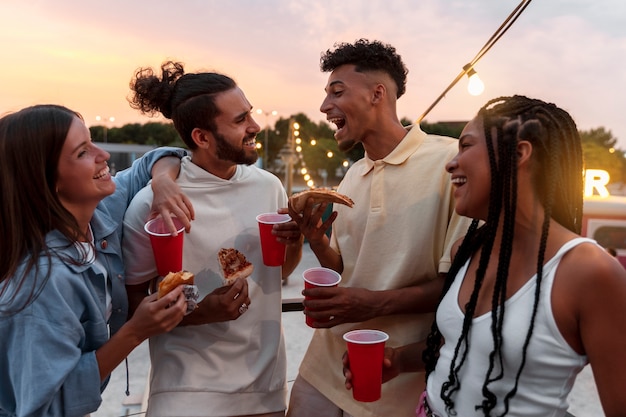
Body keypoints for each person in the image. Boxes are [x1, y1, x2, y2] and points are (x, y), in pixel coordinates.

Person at [343, 96, 626, 417]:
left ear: (518, 154)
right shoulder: (465, 249)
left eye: (466, 146)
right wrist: (397, 360)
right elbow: (463, 344)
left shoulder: (589, 272)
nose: (451, 162)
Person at [286, 39, 472, 417]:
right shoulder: (353, 174)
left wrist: (372, 303)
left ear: (377, 93)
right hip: (326, 359)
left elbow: (461, 285)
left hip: (397, 368)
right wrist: (317, 240)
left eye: (337, 92)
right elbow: (344, 269)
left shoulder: (450, 162)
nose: (324, 107)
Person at [122, 60, 304, 417]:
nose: (255, 127)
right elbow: (133, 307)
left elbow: (279, 272)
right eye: (240, 121)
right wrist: (198, 312)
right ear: (202, 138)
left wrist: (296, 241)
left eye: (250, 114)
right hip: (185, 392)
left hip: (264, 387)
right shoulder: (151, 204)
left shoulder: (270, 187)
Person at [0, 104, 195, 416]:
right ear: (49, 182)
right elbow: (44, 408)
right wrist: (134, 331)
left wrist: (161, 183)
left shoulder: (100, 214)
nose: (102, 154)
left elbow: (159, 156)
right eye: (82, 152)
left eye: (91, 140)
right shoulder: (42, 284)